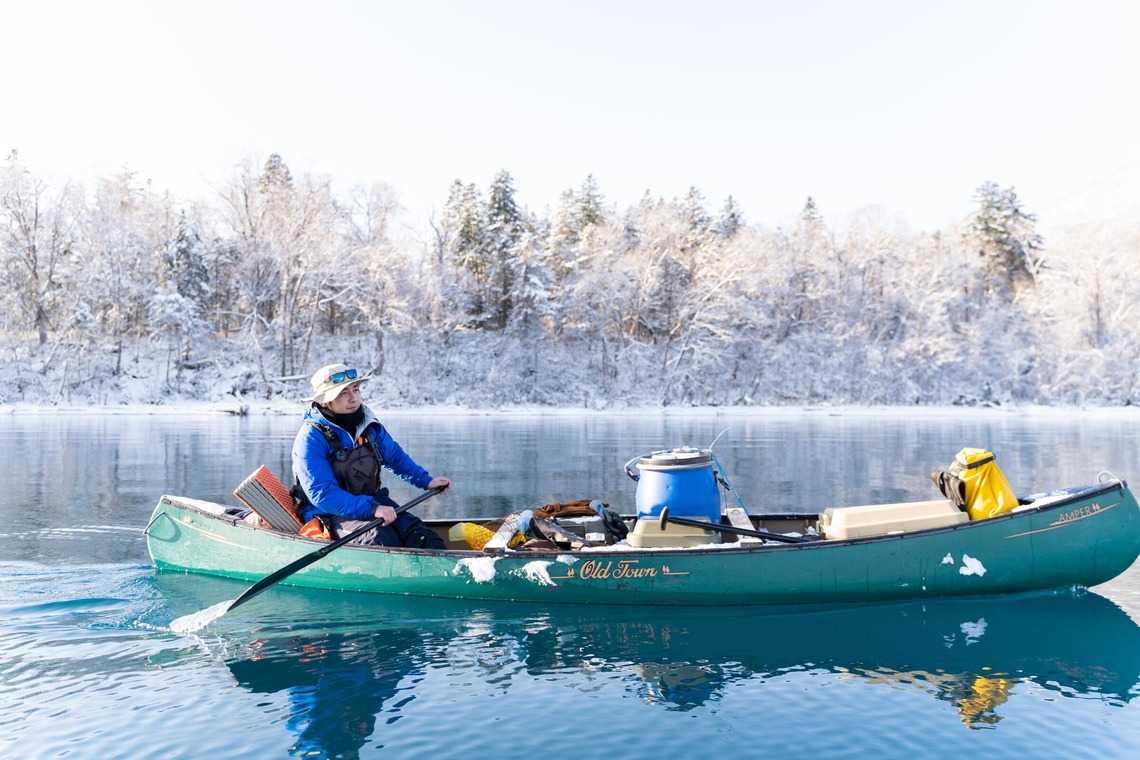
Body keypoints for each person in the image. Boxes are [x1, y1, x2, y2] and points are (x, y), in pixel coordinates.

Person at [291, 362, 450, 548]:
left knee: (419, 533)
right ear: (325, 401)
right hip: (329, 513)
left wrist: (426, 481)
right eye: (343, 393)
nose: (353, 398)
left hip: (373, 502)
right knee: (380, 538)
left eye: (355, 389)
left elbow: (395, 457)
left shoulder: (369, 426)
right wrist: (372, 509)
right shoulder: (310, 439)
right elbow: (322, 494)